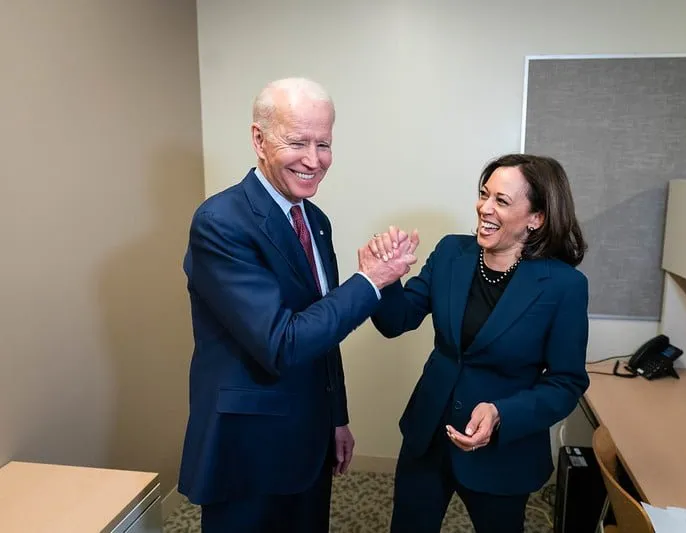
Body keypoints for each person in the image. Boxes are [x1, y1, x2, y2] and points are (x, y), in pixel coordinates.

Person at [177, 77, 418, 532]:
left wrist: (336, 418)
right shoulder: (220, 222)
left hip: (308, 438)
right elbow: (283, 341)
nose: (314, 160)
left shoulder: (314, 219)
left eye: (323, 143)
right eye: (297, 142)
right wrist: (370, 280)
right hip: (248, 448)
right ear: (259, 139)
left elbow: (322, 333)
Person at [367, 153, 590, 533]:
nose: (484, 208)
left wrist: (503, 413)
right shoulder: (452, 252)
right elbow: (396, 321)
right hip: (429, 435)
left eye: (501, 201)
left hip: (502, 452)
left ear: (536, 218)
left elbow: (566, 383)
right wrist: (384, 279)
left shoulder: (563, 286)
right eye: (484, 194)